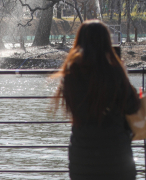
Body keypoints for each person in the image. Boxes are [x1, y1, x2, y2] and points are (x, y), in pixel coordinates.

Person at [53, 20, 141, 180]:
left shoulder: (71, 73)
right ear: (106, 42)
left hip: (82, 156)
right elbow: (133, 106)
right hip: (116, 155)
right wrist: (123, 73)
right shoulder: (115, 72)